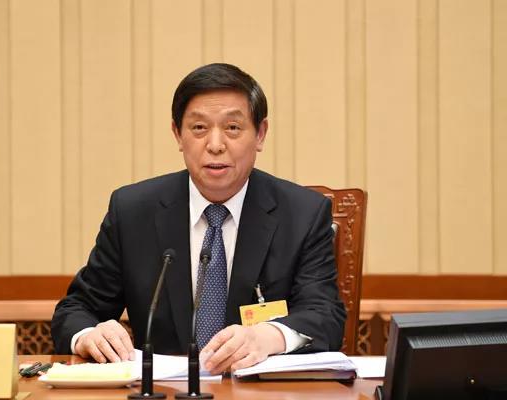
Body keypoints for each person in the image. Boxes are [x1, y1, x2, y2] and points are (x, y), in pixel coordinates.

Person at [51, 63, 346, 374]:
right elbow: (76, 309)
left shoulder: (302, 213)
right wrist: (88, 335)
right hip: (162, 389)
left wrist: (268, 336)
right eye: (199, 128)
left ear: (260, 134)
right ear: (178, 134)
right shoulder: (133, 211)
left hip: (257, 390)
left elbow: (325, 315)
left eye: (233, 128)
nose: (215, 145)